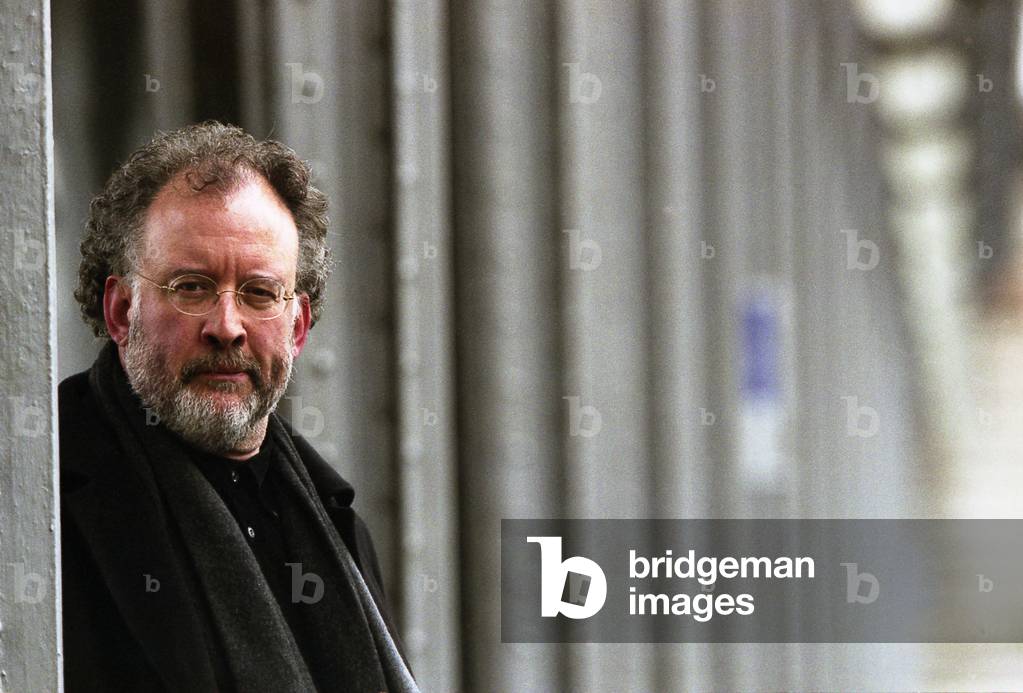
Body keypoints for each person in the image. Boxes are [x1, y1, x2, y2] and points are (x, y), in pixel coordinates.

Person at [59, 121, 418, 693]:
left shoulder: (333, 518)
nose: (227, 327)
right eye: (191, 287)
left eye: (259, 293)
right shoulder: (43, 488)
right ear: (121, 310)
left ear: (297, 328)